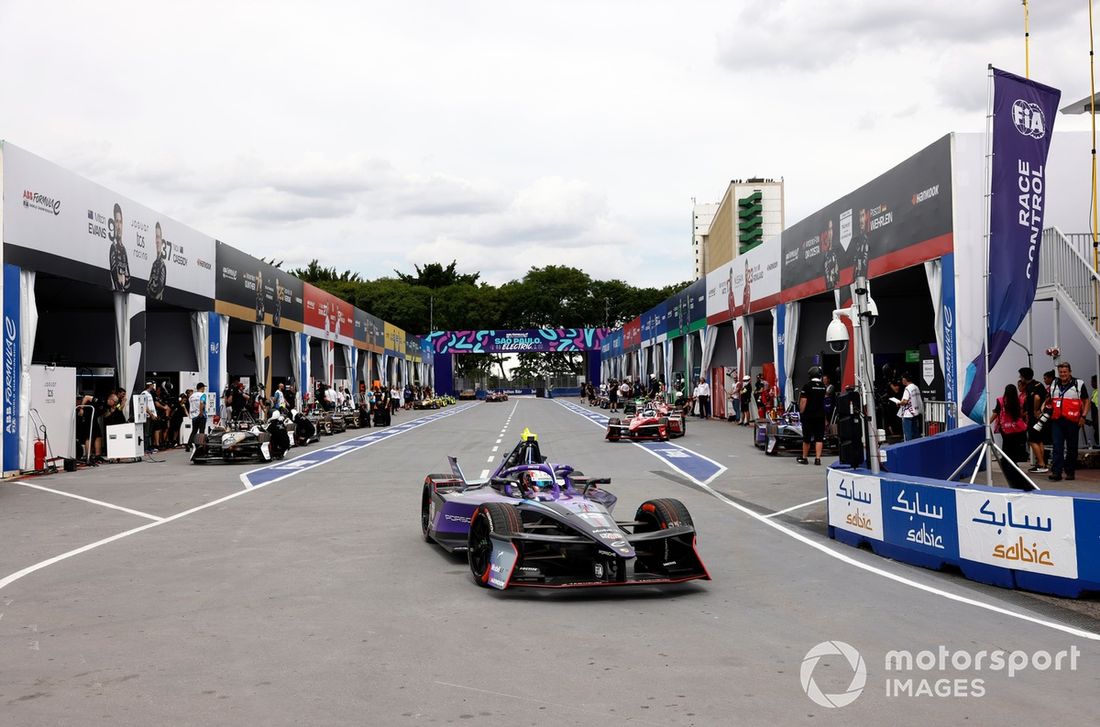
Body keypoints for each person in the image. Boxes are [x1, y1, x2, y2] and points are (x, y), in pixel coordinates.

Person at [1047, 361, 1090, 482]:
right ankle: (1056, 472)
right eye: (1061, 372)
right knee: (1057, 446)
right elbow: (1049, 399)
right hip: (1057, 420)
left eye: (1065, 372)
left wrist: (1084, 416)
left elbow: (1086, 401)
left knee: (1072, 448)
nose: (1063, 374)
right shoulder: (1054, 384)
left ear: (1070, 372)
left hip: (1073, 420)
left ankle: (1070, 472)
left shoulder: (1079, 384)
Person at [1018, 367, 1049, 473]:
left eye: (1020, 376)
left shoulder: (1030, 387)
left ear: (1023, 377)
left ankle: (1040, 464)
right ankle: (1042, 463)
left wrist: (1036, 410)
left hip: (1034, 418)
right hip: (1042, 418)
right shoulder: (1039, 384)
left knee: (1032, 440)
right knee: (1039, 440)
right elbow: (1046, 397)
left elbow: (1037, 398)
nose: (1020, 378)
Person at [798, 366, 828, 465]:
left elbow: (803, 401)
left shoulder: (807, 386)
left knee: (806, 438)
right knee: (819, 438)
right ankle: (818, 459)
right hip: (820, 415)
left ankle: (804, 458)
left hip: (808, 415)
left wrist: (801, 412)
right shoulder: (823, 387)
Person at [991, 383, 1028, 464]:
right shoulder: (1020, 401)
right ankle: (1014, 461)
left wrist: (988, 422)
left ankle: (1006, 460)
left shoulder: (1001, 400)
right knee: (1015, 446)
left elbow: (996, 412)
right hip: (1018, 428)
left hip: (1005, 428)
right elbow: (1024, 412)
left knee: (1006, 445)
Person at [109, 202, 131, 292]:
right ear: (113, 224)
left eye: (120, 222)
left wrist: (125, 280)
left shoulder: (124, 249)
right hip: (117, 293)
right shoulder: (113, 247)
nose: (119, 226)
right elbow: (115, 277)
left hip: (124, 293)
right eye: (116, 221)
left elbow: (128, 278)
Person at [897, 371, 923, 441]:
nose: (902, 381)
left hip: (908, 414)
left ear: (905, 379)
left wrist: (899, 403)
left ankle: (908, 447)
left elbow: (905, 401)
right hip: (915, 412)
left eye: (902, 379)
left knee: (908, 433)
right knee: (915, 432)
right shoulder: (916, 387)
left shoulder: (907, 388)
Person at [147, 222, 168, 300]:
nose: (157, 241)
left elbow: (159, 291)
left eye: (159, 237)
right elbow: (148, 286)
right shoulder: (154, 264)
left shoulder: (162, 266)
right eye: (156, 237)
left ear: (162, 241)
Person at [186, 383, 207, 452]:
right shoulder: (203, 395)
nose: (204, 389)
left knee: (194, 431)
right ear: (201, 388)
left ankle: (188, 445)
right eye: (204, 387)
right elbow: (202, 403)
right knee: (201, 431)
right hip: (201, 415)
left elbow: (190, 406)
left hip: (194, 416)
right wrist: (201, 412)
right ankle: (200, 445)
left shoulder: (191, 396)